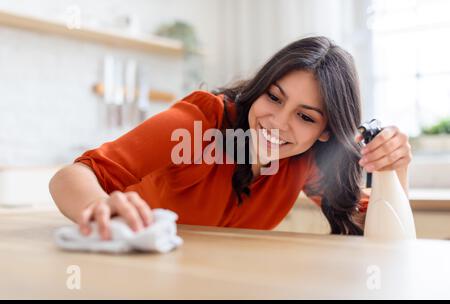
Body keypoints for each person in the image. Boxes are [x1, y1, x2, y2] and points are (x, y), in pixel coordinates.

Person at [49, 36, 412, 239]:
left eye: (304, 116)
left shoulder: (304, 160)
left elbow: (380, 232)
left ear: (326, 131)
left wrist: (393, 169)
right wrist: (98, 208)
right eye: (273, 97)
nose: (277, 122)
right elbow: (73, 176)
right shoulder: (198, 123)